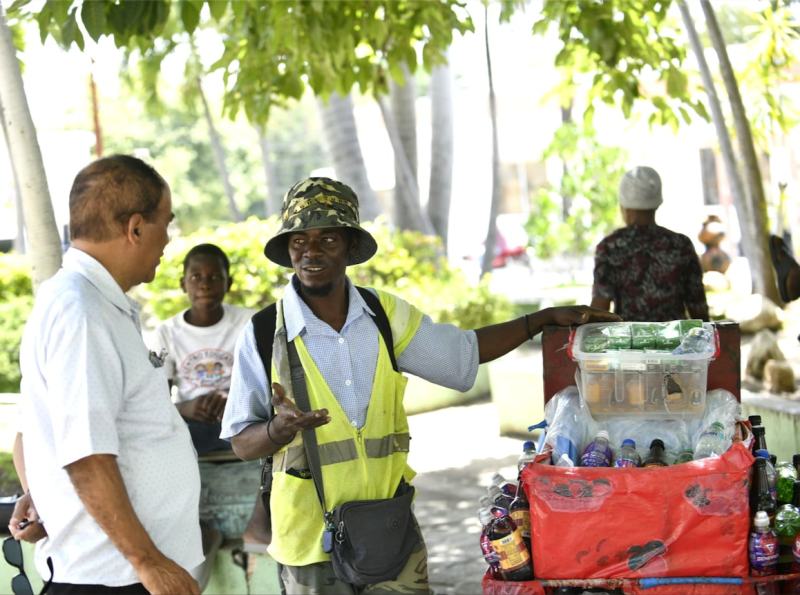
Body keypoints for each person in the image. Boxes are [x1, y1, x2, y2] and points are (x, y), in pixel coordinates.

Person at [220, 177, 620, 595]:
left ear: (351, 247)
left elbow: (461, 353)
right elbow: (241, 444)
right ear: (287, 249)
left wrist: (539, 320)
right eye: (299, 240)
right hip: (309, 545)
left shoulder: (382, 314)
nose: (311, 252)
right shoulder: (264, 333)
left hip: (389, 532)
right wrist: (276, 431)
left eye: (327, 239)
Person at [9, 155, 202, 595]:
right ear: (135, 229)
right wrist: (148, 562)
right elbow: (86, 455)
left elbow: (34, 433)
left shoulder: (91, 303)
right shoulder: (82, 311)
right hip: (116, 577)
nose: (168, 240)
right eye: (164, 224)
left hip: (125, 572)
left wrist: (42, 493)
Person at [150, 243, 270, 568]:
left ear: (228, 284)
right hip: (191, 425)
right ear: (183, 284)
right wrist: (185, 408)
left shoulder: (248, 322)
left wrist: (235, 400)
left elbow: (268, 382)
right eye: (196, 276)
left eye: (215, 276)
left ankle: (259, 522)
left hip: (240, 422)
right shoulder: (167, 332)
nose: (205, 284)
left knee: (281, 433)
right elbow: (154, 400)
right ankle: (189, 527)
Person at [590, 166, 710, 322]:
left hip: (630, 342)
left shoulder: (610, 247)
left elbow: (600, 307)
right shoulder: (681, 245)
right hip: (676, 342)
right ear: (657, 203)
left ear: (623, 205)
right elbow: (698, 307)